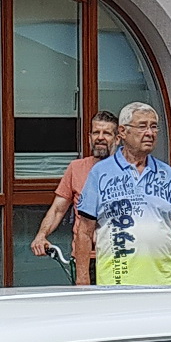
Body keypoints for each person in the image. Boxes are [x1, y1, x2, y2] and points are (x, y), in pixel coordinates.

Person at [74, 103, 171, 286]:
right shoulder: (101, 173)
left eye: (154, 126)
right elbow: (84, 231)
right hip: (117, 283)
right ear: (122, 132)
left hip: (166, 282)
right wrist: (83, 281)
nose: (150, 133)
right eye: (142, 126)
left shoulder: (168, 175)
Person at [30, 111, 119, 284]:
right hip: (83, 258)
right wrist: (41, 235)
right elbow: (57, 210)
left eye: (107, 133)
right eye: (96, 133)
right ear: (89, 137)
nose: (100, 138)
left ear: (117, 139)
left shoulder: (127, 171)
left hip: (118, 257)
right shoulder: (76, 168)